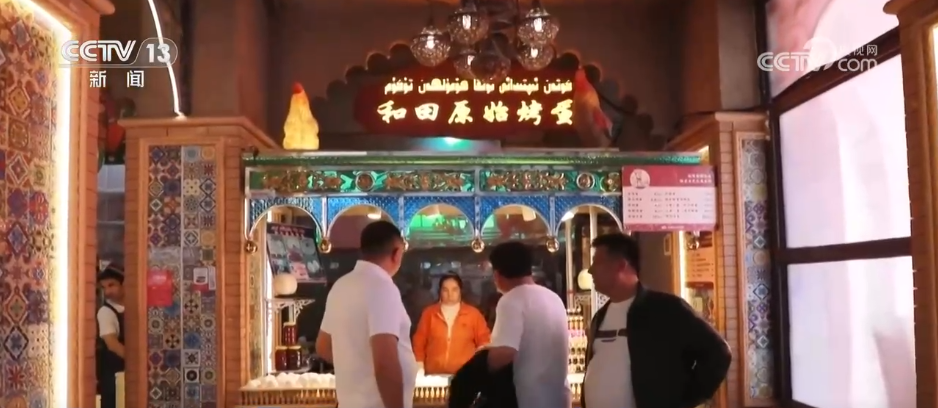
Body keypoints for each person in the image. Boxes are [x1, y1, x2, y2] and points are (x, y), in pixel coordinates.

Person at [582, 233, 731, 408]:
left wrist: (686, 400)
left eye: (597, 262)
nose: (590, 270)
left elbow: (718, 352)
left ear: (621, 265)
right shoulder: (600, 316)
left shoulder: (666, 309)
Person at [316, 221, 417, 408]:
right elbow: (385, 362)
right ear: (397, 253)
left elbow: (323, 346)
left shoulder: (341, 286)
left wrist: (356, 367)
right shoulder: (383, 288)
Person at [486, 241, 570, 408]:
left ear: (497, 274)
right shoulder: (554, 298)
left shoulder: (510, 300)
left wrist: (476, 365)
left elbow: (505, 352)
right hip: (558, 399)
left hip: (528, 399)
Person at [412, 273, 491, 374]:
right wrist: (419, 368)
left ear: (460, 291)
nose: (450, 294)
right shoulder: (429, 314)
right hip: (433, 376)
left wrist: (478, 368)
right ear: (440, 291)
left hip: (464, 376)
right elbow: (419, 343)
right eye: (445, 290)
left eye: (454, 290)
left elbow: (484, 342)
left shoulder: (473, 314)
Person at [96, 265, 126, 408]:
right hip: (113, 376)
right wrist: (138, 364)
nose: (107, 292)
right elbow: (112, 344)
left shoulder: (132, 308)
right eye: (104, 287)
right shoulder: (106, 312)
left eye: (111, 285)